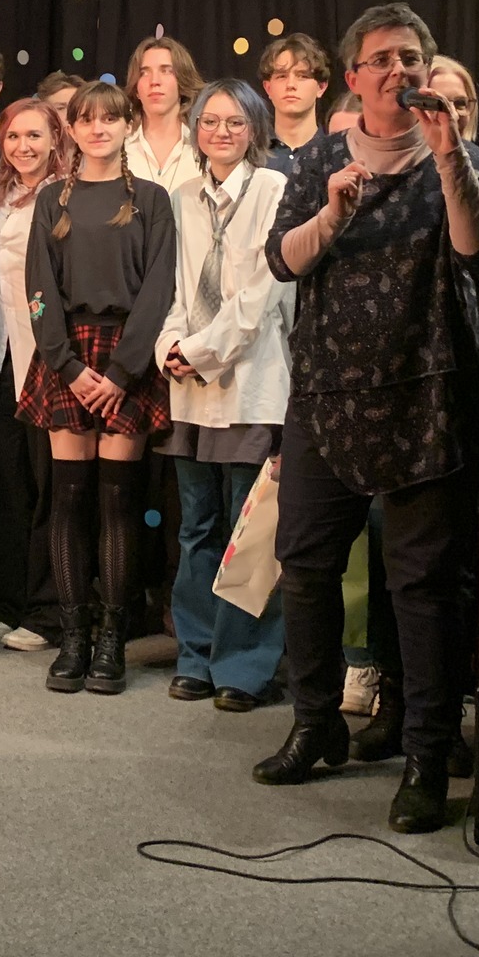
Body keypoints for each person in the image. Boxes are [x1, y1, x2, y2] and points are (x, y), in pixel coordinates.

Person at [254, 3, 479, 836]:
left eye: (411, 58)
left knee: (423, 588)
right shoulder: (318, 159)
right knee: (304, 564)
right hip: (328, 395)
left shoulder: (461, 156)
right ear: (355, 77)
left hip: (427, 396)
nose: (397, 71)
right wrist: (331, 212)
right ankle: (316, 723)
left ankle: (428, 756)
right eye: (381, 60)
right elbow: (280, 259)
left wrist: (449, 160)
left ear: (427, 72)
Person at [351, 54, 479, 767]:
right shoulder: (379, 181)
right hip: (385, 405)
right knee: (389, 559)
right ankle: (395, 704)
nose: (448, 112)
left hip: (460, 402)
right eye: (432, 100)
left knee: (445, 568)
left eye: (460, 102)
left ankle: (439, 721)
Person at [21, 80, 177, 696]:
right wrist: (65, 364)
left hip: (125, 357)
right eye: (86, 120)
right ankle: (73, 636)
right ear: (72, 129)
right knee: (68, 500)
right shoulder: (50, 199)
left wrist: (122, 372)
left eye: (110, 119)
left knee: (117, 503)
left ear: (126, 125)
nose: (98, 129)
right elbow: (38, 288)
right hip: (67, 356)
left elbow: (159, 288)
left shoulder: (153, 200)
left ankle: (112, 636)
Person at [156, 78, 293, 711]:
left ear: (256, 129)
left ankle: (244, 666)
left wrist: (202, 352)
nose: (221, 132)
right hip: (189, 391)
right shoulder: (181, 196)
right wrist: (170, 347)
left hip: (253, 384)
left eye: (235, 122)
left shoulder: (274, 191)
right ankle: (196, 655)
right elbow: (172, 290)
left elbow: (265, 296)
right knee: (196, 529)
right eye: (210, 121)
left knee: (250, 533)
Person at [0, 98, 74, 652]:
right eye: (13, 136)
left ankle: (48, 610)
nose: (23, 146)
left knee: (47, 486)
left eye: (35, 135)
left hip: (47, 354)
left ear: (56, 139)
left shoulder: (69, 193)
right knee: (5, 483)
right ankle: (9, 602)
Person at [125, 36, 204, 195]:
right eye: (144, 73)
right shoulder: (121, 145)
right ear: (136, 88)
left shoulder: (204, 145)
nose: (154, 81)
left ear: (182, 82)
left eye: (166, 71)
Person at [259, 33, 332, 175]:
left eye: (302, 76)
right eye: (282, 76)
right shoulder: (251, 156)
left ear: (321, 87)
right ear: (268, 88)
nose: (290, 85)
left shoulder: (334, 153)